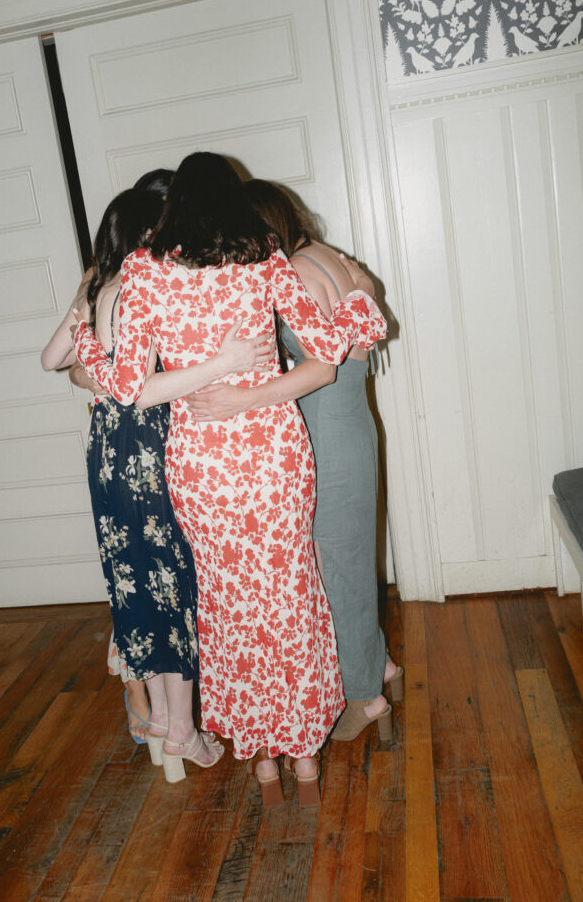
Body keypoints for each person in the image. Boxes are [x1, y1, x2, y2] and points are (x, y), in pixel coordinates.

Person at [72, 153, 387, 804]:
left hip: (201, 464)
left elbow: (132, 390)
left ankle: (263, 761)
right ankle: (305, 756)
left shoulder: (145, 274)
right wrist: (257, 385)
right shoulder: (266, 262)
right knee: (292, 596)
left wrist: (92, 349)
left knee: (226, 605)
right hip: (273, 455)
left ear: (175, 208)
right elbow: (327, 361)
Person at [41, 187, 270, 776]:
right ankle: (183, 730)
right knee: (175, 582)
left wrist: (86, 324)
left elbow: (52, 359)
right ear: (148, 234)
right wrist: (223, 364)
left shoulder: (100, 287)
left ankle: (167, 720)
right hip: (149, 445)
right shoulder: (146, 285)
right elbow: (141, 387)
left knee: (137, 582)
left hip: (106, 450)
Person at [187, 179, 403, 743]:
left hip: (326, 434)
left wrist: (240, 399)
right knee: (350, 561)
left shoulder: (298, 272)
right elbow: (363, 319)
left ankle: (366, 697)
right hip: (349, 426)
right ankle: (379, 667)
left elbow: (320, 368)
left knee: (337, 573)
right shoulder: (327, 258)